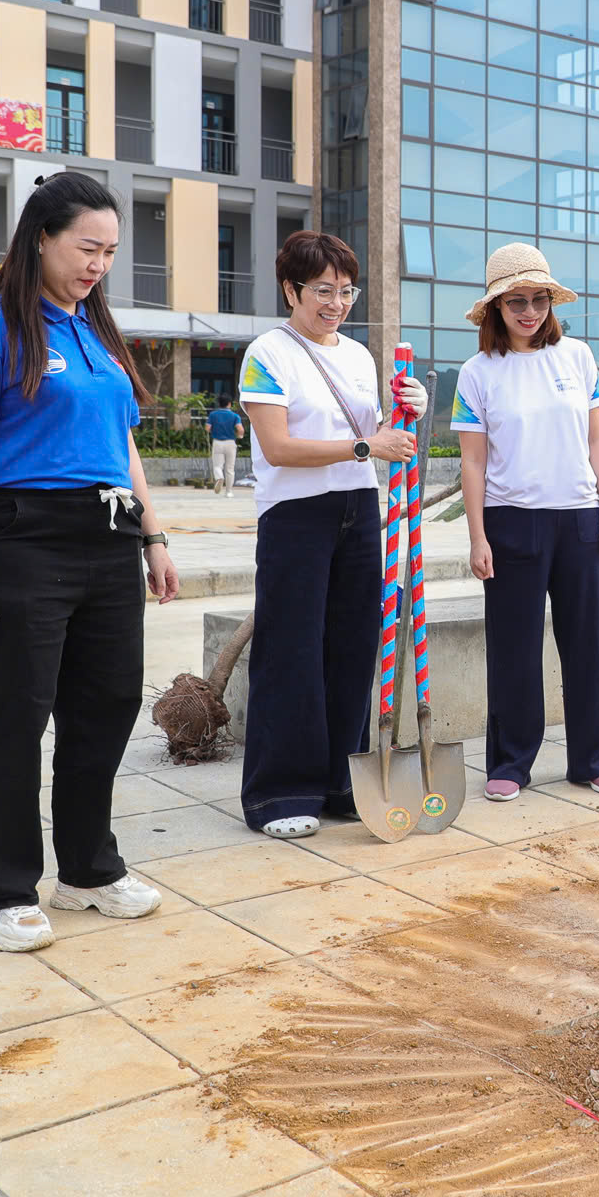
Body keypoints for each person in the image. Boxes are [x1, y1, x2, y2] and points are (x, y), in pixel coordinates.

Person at [0, 171, 180, 953]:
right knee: (14, 715)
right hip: (23, 540)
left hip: (108, 538)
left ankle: (87, 869)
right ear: (41, 235)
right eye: (86, 247)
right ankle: (0, 890)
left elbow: (125, 447)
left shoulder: (99, 335)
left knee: (106, 705)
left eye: (109, 252)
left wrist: (153, 535)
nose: (97, 264)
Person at [237, 231, 422, 838]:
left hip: (357, 509)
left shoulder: (359, 356)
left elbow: (374, 430)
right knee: (291, 651)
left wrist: (409, 410)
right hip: (295, 515)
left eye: (346, 291)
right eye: (323, 290)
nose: (337, 303)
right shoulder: (268, 352)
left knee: (351, 647)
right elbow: (279, 446)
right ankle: (278, 793)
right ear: (291, 288)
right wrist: (369, 444)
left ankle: (341, 782)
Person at [453, 242, 599, 802]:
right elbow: (473, 462)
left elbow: (597, 442)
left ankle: (593, 759)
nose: (529, 311)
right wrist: (477, 536)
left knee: (585, 645)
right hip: (510, 524)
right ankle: (509, 763)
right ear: (496, 309)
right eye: (516, 301)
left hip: (578, 520)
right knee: (514, 650)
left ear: (552, 302)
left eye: (539, 299)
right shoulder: (478, 373)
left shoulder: (577, 357)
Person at [206, 395, 244, 495]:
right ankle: (229, 492)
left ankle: (219, 477)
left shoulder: (213, 415)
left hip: (218, 442)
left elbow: (207, 428)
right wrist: (239, 436)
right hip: (231, 443)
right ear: (229, 404)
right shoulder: (235, 416)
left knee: (217, 466)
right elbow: (240, 430)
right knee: (230, 469)